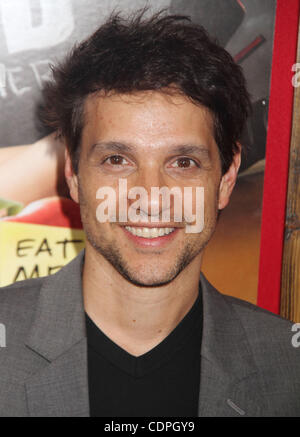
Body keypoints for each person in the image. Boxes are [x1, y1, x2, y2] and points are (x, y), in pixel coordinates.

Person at [0, 10, 299, 418]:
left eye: (183, 163)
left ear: (226, 179)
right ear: (73, 173)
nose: (152, 197)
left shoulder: (288, 367)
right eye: (117, 159)